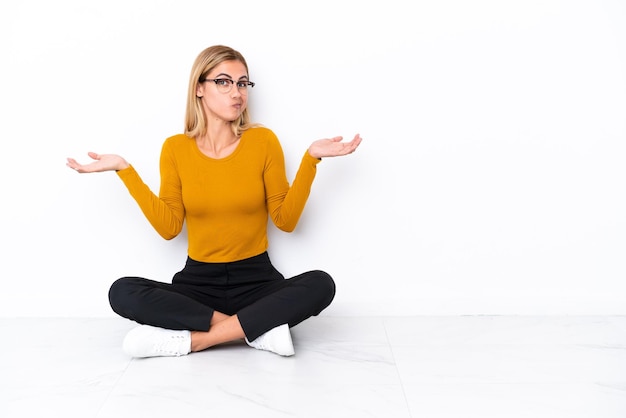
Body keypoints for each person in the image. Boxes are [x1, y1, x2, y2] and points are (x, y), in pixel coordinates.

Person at [66, 45, 362, 358]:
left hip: (257, 282)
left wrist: (311, 159)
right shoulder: (175, 149)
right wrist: (124, 170)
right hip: (197, 286)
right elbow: (169, 228)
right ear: (199, 88)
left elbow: (285, 221)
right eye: (223, 82)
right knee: (122, 292)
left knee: (321, 285)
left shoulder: (263, 142)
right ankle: (256, 331)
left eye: (242, 83)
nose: (237, 92)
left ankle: (196, 340)